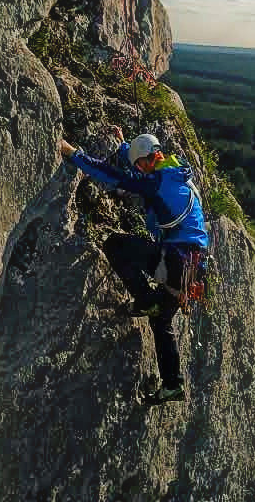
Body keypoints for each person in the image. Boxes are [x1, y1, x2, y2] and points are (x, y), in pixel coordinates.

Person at [60, 126, 208, 404]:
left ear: (149, 160)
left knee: (115, 245)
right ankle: (173, 384)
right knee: (161, 321)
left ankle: (146, 300)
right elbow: (144, 172)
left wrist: (73, 154)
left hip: (176, 260)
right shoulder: (177, 173)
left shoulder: (156, 181)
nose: (139, 170)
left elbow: (114, 176)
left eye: (140, 164)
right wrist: (125, 146)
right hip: (195, 267)